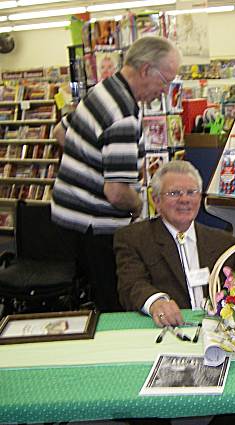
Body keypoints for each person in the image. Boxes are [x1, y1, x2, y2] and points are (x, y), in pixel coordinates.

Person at [51, 36, 181, 312]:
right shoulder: (123, 114)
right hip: (95, 228)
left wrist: (88, 161)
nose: (164, 92)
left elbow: (61, 132)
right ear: (145, 70)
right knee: (112, 301)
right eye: (165, 81)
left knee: (88, 297)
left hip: (66, 219)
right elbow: (116, 192)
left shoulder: (102, 90)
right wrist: (138, 205)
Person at [114, 160, 235, 327]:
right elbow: (131, 286)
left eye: (191, 192)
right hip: (165, 331)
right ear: (156, 200)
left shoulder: (226, 244)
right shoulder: (133, 239)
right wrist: (156, 303)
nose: (184, 199)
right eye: (174, 193)